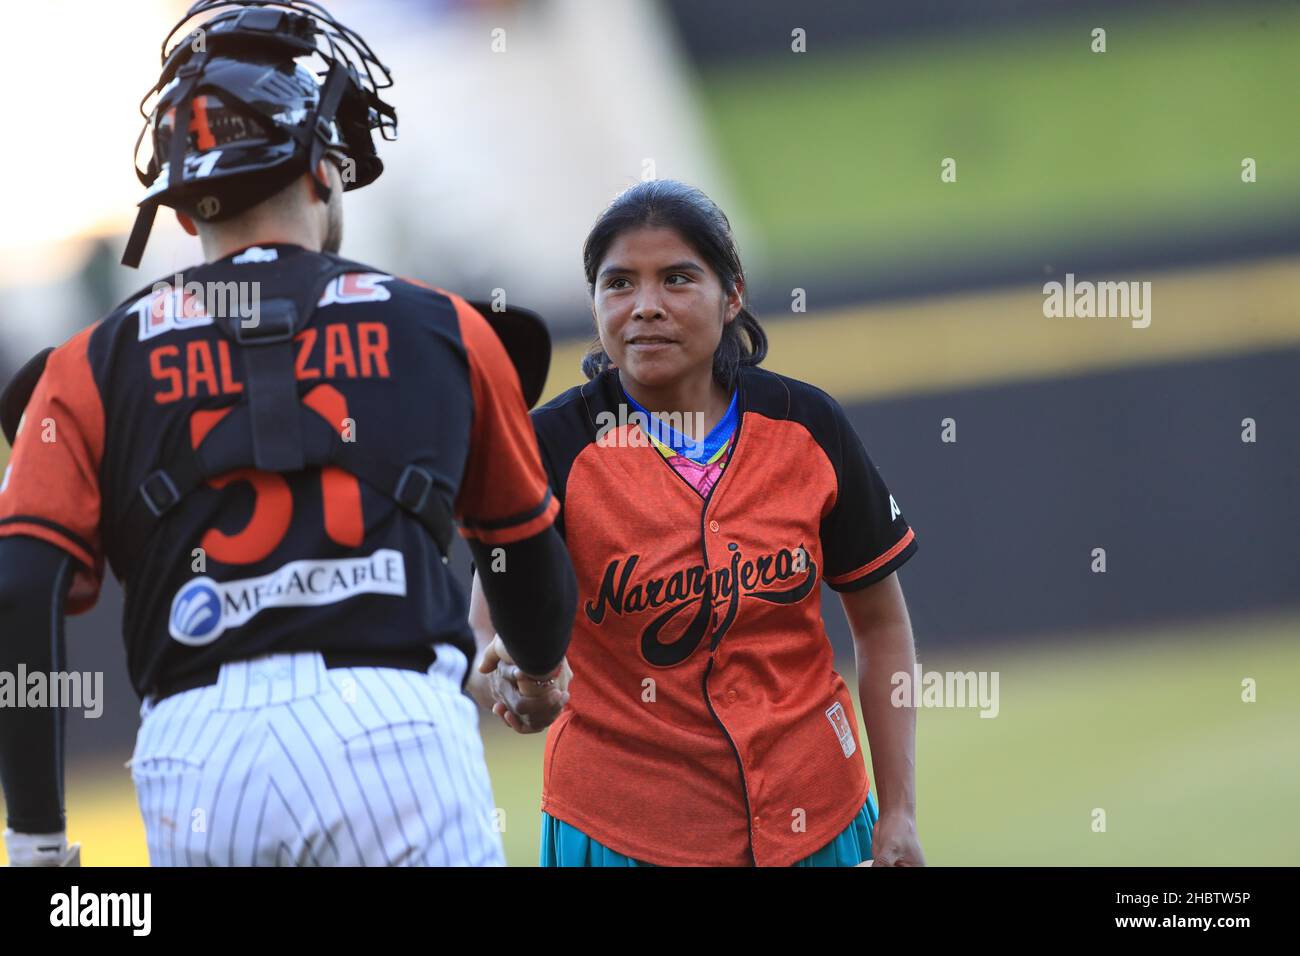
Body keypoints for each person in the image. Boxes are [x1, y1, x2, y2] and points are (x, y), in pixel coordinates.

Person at [0, 0, 575, 867]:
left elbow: (18, 589)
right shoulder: (446, 328)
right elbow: (523, 553)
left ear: (185, 210)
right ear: (323, 172)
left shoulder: (86, 364)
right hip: (392, 730)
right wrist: (535, 672)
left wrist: (36, 837)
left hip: (198, 753)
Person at [469, 179, 925, 867]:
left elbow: (882, 627)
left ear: (731, 293)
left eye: (678, 279)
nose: (645, 306)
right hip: (625, 832)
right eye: (618, 283)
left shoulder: (807, 425)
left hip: (820, 818)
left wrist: (899, 813)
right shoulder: (548, 446)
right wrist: (511, 683)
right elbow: (486, 636)